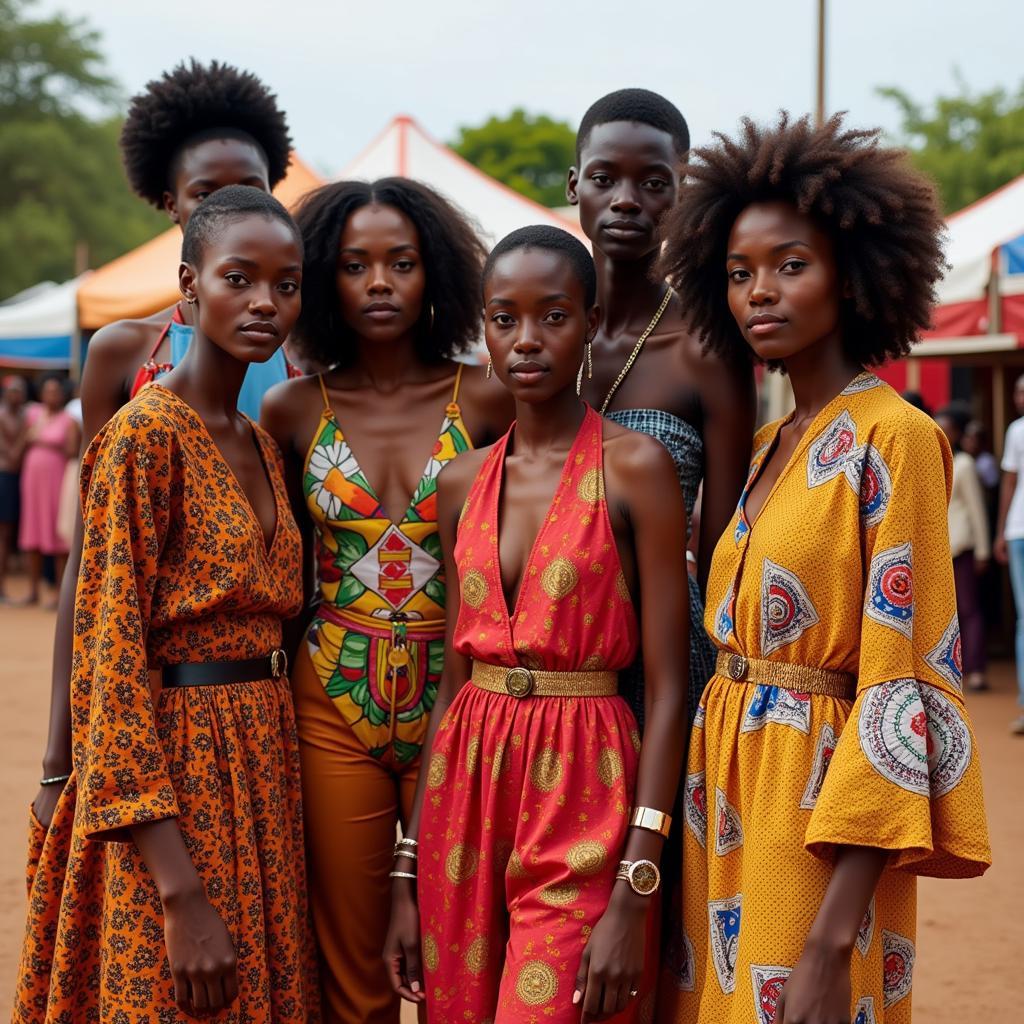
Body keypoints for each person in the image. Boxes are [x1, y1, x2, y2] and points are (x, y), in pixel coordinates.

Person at [656, 113, 991, 1023]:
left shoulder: (900, 436)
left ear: (855, 273)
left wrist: (831, 936)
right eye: (738, 273)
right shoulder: (767, 444)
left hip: (816, 818)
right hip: (718, 792)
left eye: (790, 265)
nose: (760, 292)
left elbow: (903, 682)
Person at [14, 186, 319, 1022]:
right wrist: (178, 892)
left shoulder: (259, 440)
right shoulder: (144, 436)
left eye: (286, 284)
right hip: (176, 772)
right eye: (239, 278)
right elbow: (108, 658)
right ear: (190, 287)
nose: (265, 302)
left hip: (262, 759)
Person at [384, 226, 689, 1023]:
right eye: (503, 317)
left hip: (587, 779)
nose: (526, 340)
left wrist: (636, 882)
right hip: (465, 785)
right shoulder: (460, 481)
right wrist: (405, 872)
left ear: (590, 323)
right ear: (482, 327)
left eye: (552, 316)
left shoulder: (635, 468)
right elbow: (452, 678)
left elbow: (667, 689)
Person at [260, 178, 513, 1024]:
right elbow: (284, 572)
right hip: (331, 702)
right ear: (322, 280)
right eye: (354, 265)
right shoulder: (292, 408)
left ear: (433, 273)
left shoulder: (484, 399)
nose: (378, 283)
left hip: (466, 704)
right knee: (354, 968)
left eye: (400, 263)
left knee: (457, 958)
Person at [33, 58, 295, 831]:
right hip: (157, 697)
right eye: (205, 196)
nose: (230, 204)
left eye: (249, 189)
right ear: (172, 209)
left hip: (271, 704)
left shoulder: (302, 361)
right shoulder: (125, 356)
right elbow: (94, 565)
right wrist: (61, 751)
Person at [567, 88, 754, 728]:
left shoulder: (707, 349)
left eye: (653, 183)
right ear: (574, 186)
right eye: (604, 178)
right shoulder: (529, 338)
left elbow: (728, 540)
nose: (626, 200)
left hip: (662, 657)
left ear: (683, 193)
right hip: (539, 651)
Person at [936, 405, 990, 692]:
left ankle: (977, 670)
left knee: (969, 609)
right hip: (938, 551)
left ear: (956, 433)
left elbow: (976, 508)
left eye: (947, 428)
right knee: (946, 613)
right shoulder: (931, 461)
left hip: (962, 546)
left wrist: (983, 550)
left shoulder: (965, 463)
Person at [18, 375, 78, 606]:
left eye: (55, 392)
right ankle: (33, 590)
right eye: (47, 391)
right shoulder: (33, 415)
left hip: (56, 478)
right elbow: (23, 441)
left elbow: (72, 449)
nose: (51, 395)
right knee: (32, 530)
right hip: (32, 479)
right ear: (41, 394)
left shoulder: (68, 420)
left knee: (56, 531)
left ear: (61, 395)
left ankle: (58, 594)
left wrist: (44, 441)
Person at [995, 372, 1024, 733]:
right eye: (1018, 391)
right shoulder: (1015, 430)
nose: (1019, 397)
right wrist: (1001, 530)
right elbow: (1009, 483)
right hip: (1018, 530)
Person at [0, 375, 29, 601]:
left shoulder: (25, 416)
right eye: (12, 391)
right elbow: (11, 455)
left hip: (17, 478)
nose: (16, 395)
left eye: (19, 391)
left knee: (9, 535)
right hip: (5, 476)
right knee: (4, 534)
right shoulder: (2, 416)